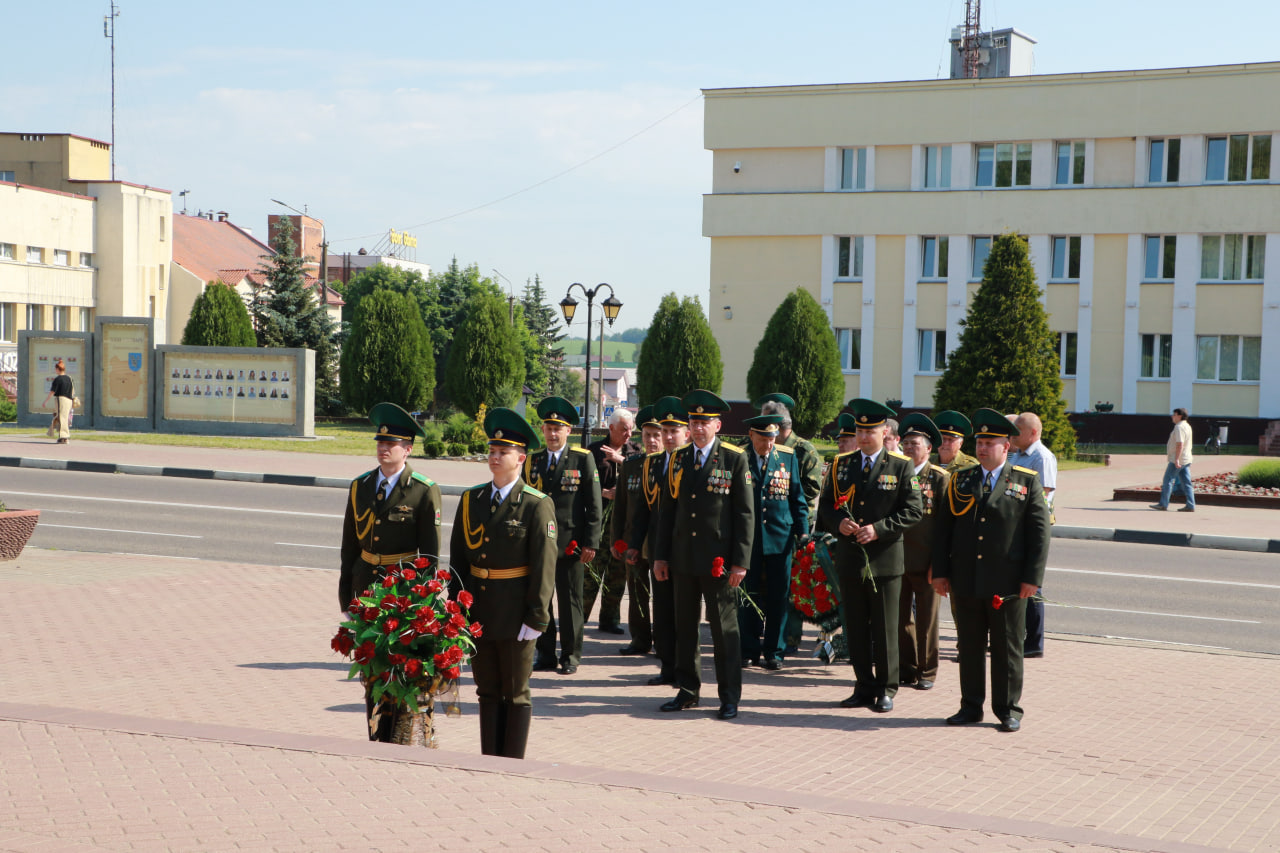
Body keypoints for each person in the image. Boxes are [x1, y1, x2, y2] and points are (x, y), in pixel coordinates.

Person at [932, 409, 1051, 733]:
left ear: (1007, 446)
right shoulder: (961, 479)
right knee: (968, 646)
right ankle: (970, 706)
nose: (982, 448)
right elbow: (943, 531)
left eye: (990, 443)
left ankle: (1008, 709)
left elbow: (1039, 536)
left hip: (1007, 583)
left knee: (1007, 646)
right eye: (980, 442)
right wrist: (940, 573)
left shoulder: (1026, 482)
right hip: (966, 580)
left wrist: (1032, 579)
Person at [453, 408, 557, 759]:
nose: (495, 458)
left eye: (504, 452)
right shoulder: (472, 500)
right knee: (486, 690)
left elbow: (544, 566)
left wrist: (537, 617)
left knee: (515, 691)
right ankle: (489, 757)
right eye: (492, 451)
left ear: (521, 458)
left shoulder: (536, 505)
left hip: (516, 612)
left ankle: (511, 761)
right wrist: (456, 611)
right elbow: (458, 562)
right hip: (479, 610)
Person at [337, 402, 444, 742]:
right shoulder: (361, 486)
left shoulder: (423, 490)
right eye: (380, 443)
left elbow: (429, 557)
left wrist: (421, 605)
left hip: (402, 594)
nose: (384, 449)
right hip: (367, 587)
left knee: (401, 667)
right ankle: (375, 733)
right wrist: (347, 596)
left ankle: (398, 735)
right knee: (371, 666)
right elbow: (349, 547)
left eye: (392, 444)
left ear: (408, 449)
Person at [653, 389, 754, 720]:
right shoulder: (679, 458)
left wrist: (740, 561)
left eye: (704, 422)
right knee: (685, 628)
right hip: (683, 558)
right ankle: (687, 690)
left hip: (719, 562)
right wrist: (661, 556)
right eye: (694, 422)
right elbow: (667, 511)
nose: (698, 428)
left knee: (725, 631)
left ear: (718, 425)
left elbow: (744, 514)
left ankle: (729, 696)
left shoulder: (734, 458)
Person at [818, 398, 923, 713]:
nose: (864, 437)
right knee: (857, 628)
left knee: (885, 628)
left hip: (885, 561)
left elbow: (913, 510)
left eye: (871, 431)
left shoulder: (900, 465)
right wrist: (840, 523)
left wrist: (879, 529)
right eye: (860, 430)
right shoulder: (842, 464)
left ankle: (886, 688)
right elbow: (825, 507)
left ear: (884, 432)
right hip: (851, 559)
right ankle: (863, 685)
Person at [525, 396, 602, 675]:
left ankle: (570, 656)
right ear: (543, 430)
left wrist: (591, 542)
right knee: (541, 600)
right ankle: (545, 654)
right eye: (548, 428)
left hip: (571, 543)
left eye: (559, 428)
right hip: (539, 545)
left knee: (570, 603)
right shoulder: (533, 461)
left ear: (569, 431)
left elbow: (594, 504)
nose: (553, 433)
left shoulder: (582, 458)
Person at [739, 414, 808, 670]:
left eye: (771, 438)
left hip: (781, 537)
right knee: (748, 595)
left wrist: (803, 532)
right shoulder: (739, 457)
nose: (768, 444)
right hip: (749, 539)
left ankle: (774, 652)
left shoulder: (787, 457)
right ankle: (748, 649)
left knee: (779, 597)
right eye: (763, 438)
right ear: (751, 435)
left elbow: (797, 497)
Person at [628, 396, 688, 685]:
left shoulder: (692, 461)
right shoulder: (651, 464)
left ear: (685, 433)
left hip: (687, 550)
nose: (667, 437)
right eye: (664, 431)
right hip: (658, 550)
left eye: (673, 431)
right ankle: (667, 667)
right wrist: (634, 544)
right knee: (662, 612)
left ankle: (685, 670)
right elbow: (642, 510)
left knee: (684, 615)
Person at [758, 393, 821, 658]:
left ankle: (790, 638)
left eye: (770, 427)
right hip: (768, 527)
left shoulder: (803, 450)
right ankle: (769, 636)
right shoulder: (763, 448)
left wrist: (790, 516)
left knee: (791, 587)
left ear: (782, 428)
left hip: (794, 528)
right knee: (768, 586)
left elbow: (809, 489)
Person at [896, 413, 949, 691]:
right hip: (897, 560)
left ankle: (927, 671)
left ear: (928, 449)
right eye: (905, 443)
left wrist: (939, 566)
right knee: (901, 618)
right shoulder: (895, 473)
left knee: (927, 621)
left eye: (914, 444)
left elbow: (946, 527)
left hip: (927, 562)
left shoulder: (939, 478)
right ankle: (905, 668)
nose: (908, 448)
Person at [611, 406, 663, 655]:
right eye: (647, 435)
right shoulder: (632, 465)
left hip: (662, 543)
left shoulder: (671, 464)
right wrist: (615, 540)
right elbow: (620, 506)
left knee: (664, 596)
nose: (651, 441)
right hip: (633, 541)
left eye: (657, 435)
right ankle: (640, 639)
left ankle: (664, 642)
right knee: (637, 593)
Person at [585, 408, 639, 635]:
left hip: (623, 522)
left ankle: (609, 619)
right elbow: (584, 483)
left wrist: (621, 460)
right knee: (591, 572)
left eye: (631, 429)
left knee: (617, 572)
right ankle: (580, 616)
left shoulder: (634, 451)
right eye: (624, 429)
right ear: (611, 428)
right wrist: (603, 493)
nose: (629, 434)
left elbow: (641, 474)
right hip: (600, 518)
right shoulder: (594, 451)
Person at [1008, 411, 1058, 659]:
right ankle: (1016, 636)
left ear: (1033, 433)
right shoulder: (1017, 454)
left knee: (1032, 585)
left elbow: (1043, 494)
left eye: (1019, 429)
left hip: (1031, 527)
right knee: (1015, 584)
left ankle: (1035, 641)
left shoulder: (1042, 457)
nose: (1014, 434)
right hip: (1015, 527)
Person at [1152, 408, 1195, 513]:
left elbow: (1180, 444)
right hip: (1186, 458)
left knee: (1168, 480)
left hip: (1179, 459)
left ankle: (1163, 504)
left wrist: (1176, 460)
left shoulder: (1179, 427)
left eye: (1174, 414)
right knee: (1186, 482)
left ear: (1179, 416)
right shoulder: (1187, 426)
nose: (1172, 416)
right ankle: (1190, 505)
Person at [42, 359, 75, 444]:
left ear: (58, 369)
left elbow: (52, 392)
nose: (55, 370)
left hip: (61, 400)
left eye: (55, 369)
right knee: (63, 418)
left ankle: (64, 437)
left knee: (62, 418)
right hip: (69, 400)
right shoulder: (70, 378)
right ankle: (61, 437)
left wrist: (46, 401)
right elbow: (73, 391)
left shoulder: (58, 379)